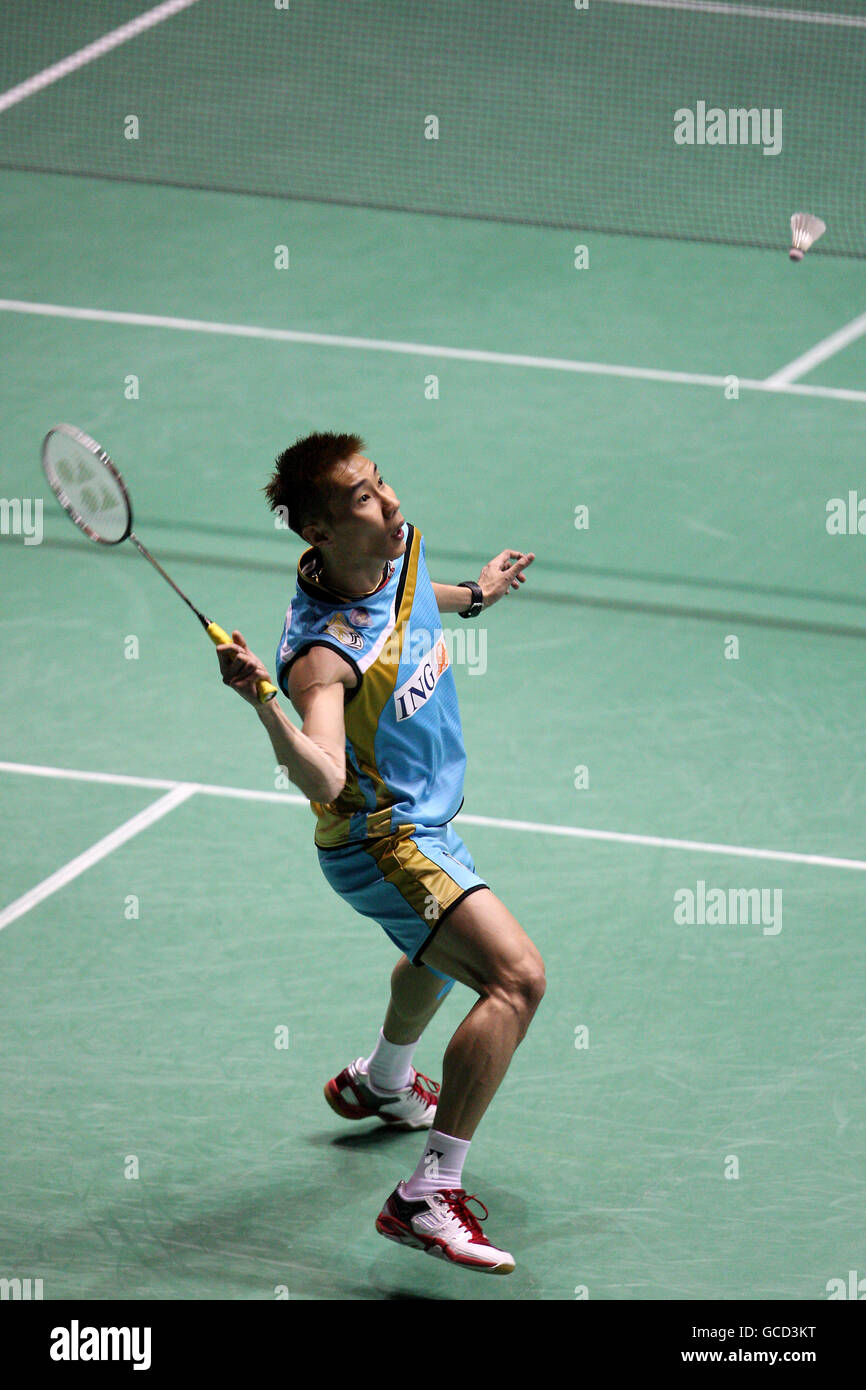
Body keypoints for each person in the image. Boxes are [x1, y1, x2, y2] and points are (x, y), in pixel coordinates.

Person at [216, 431, 545, 1275]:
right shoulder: (321, 660)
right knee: (515, 979)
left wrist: (473, 593)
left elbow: (406, 596)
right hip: (381, 838)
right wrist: (266, 702)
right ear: (320, 533)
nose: (390, 502)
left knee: (433, 955)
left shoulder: (390, 551)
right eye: (363, 498)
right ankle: (427, 1194)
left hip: (425, 820)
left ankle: (381, 1083)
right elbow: (323, 778)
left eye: (381, 481)